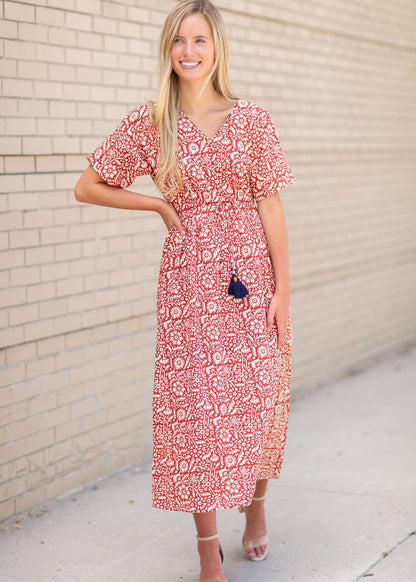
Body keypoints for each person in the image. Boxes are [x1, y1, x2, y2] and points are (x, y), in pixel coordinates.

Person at [74, 0, 296, 580]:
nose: (188, 52)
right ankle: (206, 549)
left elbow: (270, 204)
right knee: (197, 411)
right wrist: (154, 203)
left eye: (199, 41)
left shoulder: (252, 119)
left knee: (257, 403)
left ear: (216, 47)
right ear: (167, 50)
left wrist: (285, 291)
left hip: (251, 280)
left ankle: (255, 507)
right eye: (178, 41)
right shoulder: (152, 122)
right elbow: (88, 186)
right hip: (188, 283)